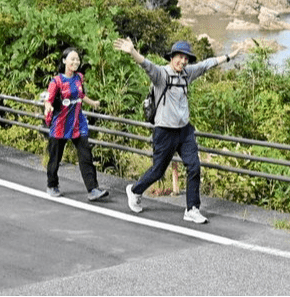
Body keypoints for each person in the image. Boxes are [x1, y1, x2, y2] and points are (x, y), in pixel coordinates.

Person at [112, 37, 241, 224]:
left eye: (186, 58)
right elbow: (147, 65)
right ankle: (134, 190)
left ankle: (192, 208)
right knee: (158, 171)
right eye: (179, 57)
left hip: (184, 130)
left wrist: (230, 56)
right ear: (171, 57)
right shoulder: (162, 75)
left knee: (194, 166)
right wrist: (132, 51)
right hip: (164, 130)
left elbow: (206, 65)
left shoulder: (187, 74)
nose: (183, 61)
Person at [43, 47, 109, 202]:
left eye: (77, 59)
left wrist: (93, 103)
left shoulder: (79, 77)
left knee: (86, 156)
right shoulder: (56, 81)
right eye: (72, 59)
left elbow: (81, 95)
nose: (76, 62)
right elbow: (48, 99)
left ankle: (93, 189)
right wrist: (48, 107)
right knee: (55, 158)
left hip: (78, 124)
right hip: (60, 125)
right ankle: (52, 185)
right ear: (64, 60)